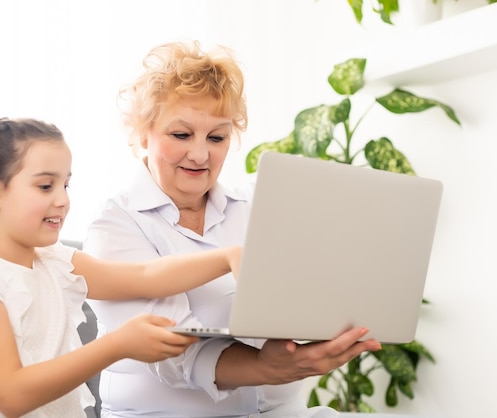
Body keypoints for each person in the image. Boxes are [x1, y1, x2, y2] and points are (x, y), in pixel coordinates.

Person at [84, 41, 382, 418]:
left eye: (217, 137)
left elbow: (306, 298)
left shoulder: (257, 209)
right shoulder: (115, 224)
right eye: (181, 135)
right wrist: (266, 367)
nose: (200, 154)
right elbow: (170, 350)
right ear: (143, 135)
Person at [0, 117, 242, 418]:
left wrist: (227, 257)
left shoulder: (55, 261)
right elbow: (12, 395)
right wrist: (118, 345)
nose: (63, 200)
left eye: (66, 185)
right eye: (45, 186)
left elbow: (147, 276)